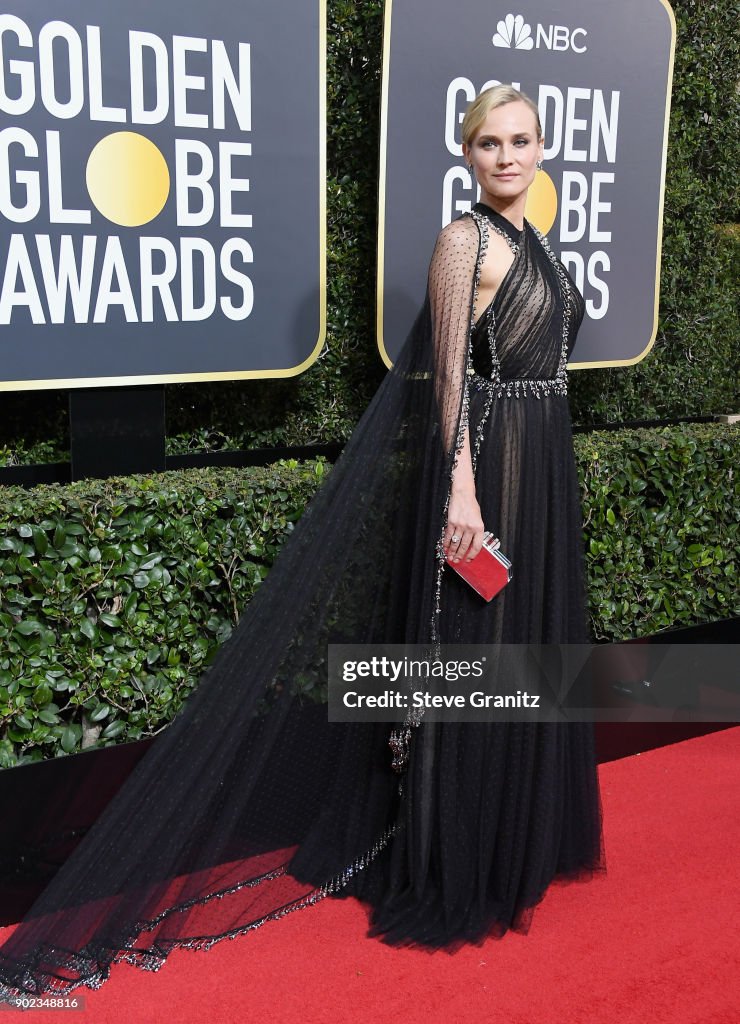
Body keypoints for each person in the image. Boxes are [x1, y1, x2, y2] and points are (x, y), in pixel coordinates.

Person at [0, 85, 604, 999]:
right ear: (466, 154)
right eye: (489, 143)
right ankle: (462, 861)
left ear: (543, 147)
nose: (508, 157)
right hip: (490, 480)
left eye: (522, 140)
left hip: (543, 476)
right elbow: (444, 382)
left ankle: (515, 840)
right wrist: (462, 490)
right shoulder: (463, 242)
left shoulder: (533, 245)